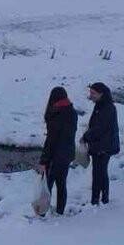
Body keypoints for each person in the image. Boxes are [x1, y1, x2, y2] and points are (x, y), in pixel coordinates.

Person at [37, 86, 77, 215]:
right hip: (67, 154)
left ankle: (42, 212)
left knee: (47, 185)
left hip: (55, 156)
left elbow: (51, 141)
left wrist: (43, 160)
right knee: (61, 184)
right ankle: (60, 211)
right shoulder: (72, 112)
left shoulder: (56, 115)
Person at [80, 82, 120, 205]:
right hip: (102, 144)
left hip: (103, 146)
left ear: (101, 94)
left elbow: (100, 128)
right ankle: (101, 198)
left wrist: (86, 137)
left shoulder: (106, 108)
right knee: (100, 171)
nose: (90, 95)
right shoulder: (101, 105)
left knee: (99, 172)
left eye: (93, 93)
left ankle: (98, 199)